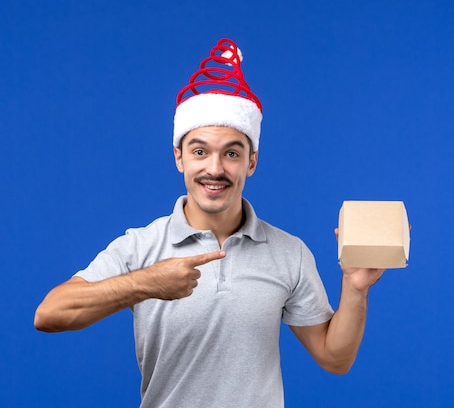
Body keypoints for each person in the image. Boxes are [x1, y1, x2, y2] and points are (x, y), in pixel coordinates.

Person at [34, 38, 385, 408]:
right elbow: (51, 313)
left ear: (251, 162)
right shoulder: (139, 246)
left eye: (232, 153)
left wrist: (355, 287)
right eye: (200, 151)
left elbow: (335, 358)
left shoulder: (289, 253)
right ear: (179, 158)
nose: (215, 169)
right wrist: (145, 283)